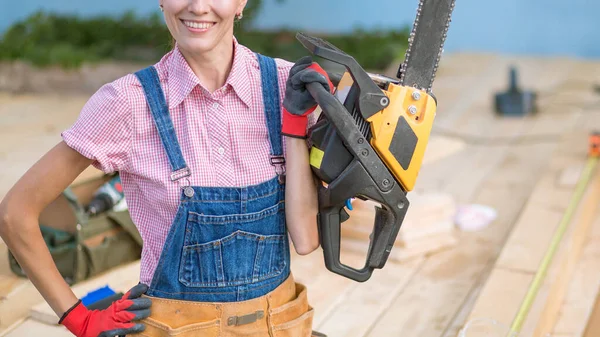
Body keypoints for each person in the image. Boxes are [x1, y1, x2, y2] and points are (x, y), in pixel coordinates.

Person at [0, 0, 334, 336]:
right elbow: (16, 213)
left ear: (240, 3)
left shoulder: (286, 87)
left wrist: (298, 126)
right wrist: (80, 318)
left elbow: (305, 241)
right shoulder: (127, 102)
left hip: (277, 325)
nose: (198, 6)